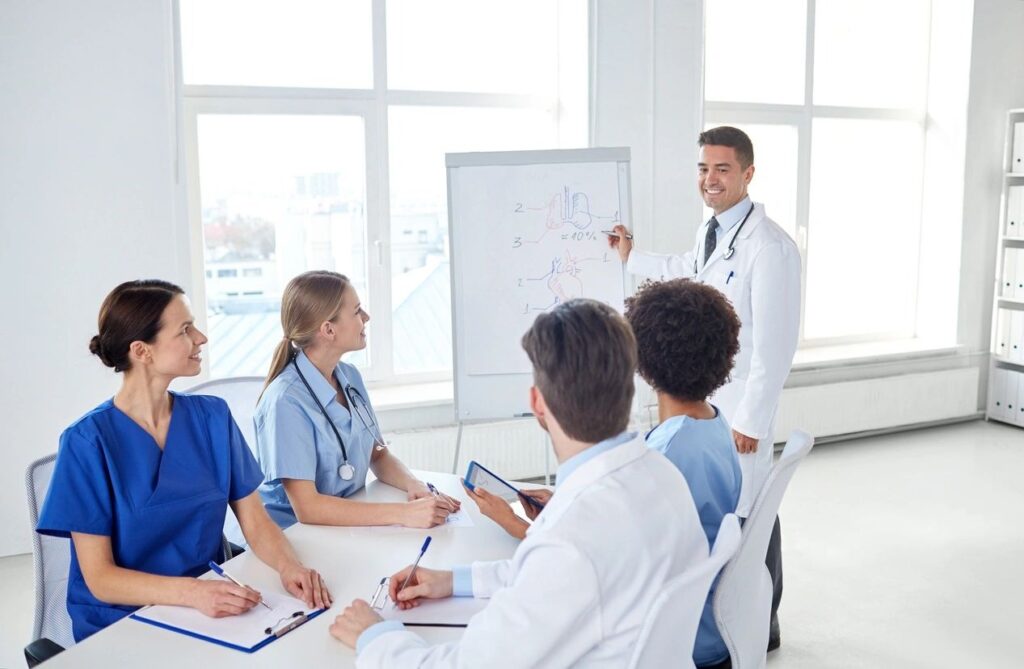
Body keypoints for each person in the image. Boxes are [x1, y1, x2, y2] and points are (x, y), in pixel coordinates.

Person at [328, 298, 709, 666]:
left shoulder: (575, 538)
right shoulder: (660, 473)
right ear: (628, 389)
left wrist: (375, 637)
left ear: (537, 402)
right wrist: (452, 580)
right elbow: (544, 576)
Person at [35, 280, 330, 643]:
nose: (201, 338)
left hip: (210, 605)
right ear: (142, 351)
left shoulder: (212, 418)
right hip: (123, 623)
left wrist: (290, 567)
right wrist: (192, 593)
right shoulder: (87, 442)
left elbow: (256, 522)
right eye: (185, 330)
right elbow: (100, 577)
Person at [609, 125, 801, 649]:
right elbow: (688, 273)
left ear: (747, 173)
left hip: (739, 405)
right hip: (711, 392)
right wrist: (633, 257)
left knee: (752, 510)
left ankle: (764, 619)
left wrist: (752, 419)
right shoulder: (712, 231)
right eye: (703, 168)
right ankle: (740, 612)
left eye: (722, 169)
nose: (710, 179)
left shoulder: (771, 248)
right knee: (738, 508)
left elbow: (777, 346)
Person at [254, 270, 459, 530]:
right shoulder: (285, 401)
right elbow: (307, 508)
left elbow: (378, 454)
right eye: (357, 311)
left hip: (348, 522)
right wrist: (404, 514)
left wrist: (416, 487)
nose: (367, 317)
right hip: (298, 536)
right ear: (328, 329)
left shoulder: (349, 376)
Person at [625, 278, 743, 669]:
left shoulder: (668, 454)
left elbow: (612, 558)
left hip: (675, 639)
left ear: (644, 361)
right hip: (710, 625)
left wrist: (517, 524)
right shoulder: (713, 425)